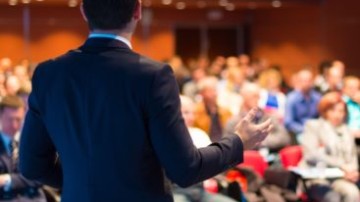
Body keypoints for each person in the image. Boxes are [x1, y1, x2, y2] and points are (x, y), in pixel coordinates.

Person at [18, 0, 272, 202]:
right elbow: (185, 169)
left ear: (83, 11)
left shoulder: (48, 74)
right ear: (138, 10)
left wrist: (83, 178)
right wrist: (238, 142)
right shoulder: (152, 76)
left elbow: (31, 166)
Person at [173, 96, 236, 202]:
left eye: (193, 113)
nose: (191, 118)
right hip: (176, 192)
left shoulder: (199, 134)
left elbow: (214, 163)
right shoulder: (165, 138)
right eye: (186, 112)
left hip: (200, 192)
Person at [300, 92, 359, 202]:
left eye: (341, 111)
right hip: (317, 178)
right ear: (325, 111)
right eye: (333, 110)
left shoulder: (346, 130)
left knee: (352, 192)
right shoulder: (314, 126)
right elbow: (311, 155)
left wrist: (353, 171)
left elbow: (352, 156)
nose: (337, 115)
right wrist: (342, 165)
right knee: (333, 197)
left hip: (341, 178)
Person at [0, 96, 46, 201]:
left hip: (34, 198)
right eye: (10, 119)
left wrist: (8, 179)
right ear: (0, 115)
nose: (14, 125)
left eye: (18, 119)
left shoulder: (33, 140)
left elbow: (39, 177)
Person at [224, 83, 290, 152]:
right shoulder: (234, 121)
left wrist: (259, 141)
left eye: (258, 96)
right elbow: (229, 146)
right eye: (254, 96)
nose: (257, 99)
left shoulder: (269, 117)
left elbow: (285, 138)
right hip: (246, 160)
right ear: (244, 97)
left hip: (271, 156)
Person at [284, 69, 321, 143]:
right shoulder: (291, 98)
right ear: (298, 82)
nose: (307, 83)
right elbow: (288, 122)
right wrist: (305, 130)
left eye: (309, 80)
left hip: (316, 131)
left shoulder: (318, 97)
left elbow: (322, 117)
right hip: (299, 132)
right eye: (304, 80)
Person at [194, 77, 232, 142]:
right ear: (202, 93)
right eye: (210, 91)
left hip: (223, 144)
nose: (214, 93)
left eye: (215, 90)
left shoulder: (226, 111)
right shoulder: (195, 112)